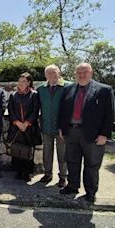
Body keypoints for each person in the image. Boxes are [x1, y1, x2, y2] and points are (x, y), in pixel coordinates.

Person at [58, 63, 114, 203]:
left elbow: (110, 114)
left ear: (91, 73)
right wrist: (61, 128)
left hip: (93, 134)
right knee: (72, 161)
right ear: (75, 74)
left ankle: (90, 191)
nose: (81, 75)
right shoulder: (68, 89)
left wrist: (105, 134)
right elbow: (62, 110)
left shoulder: (104, 90)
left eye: (85, 72)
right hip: (71, 132)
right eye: (79, 72)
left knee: (92, 165)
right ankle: (72, 186)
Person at [37, 65, 68, 187]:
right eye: (49, 73)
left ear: (59, 73)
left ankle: (63, 177)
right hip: (46, 126)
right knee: (47, 152)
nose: (51, 75)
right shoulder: (41, 89)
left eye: (54, 72)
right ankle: (48, 174)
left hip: (61, 127)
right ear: (45, 75)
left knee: (63, 153)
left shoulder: (68, 87)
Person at [7, 73, 42, 182]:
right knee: (17, 149)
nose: (22, 83)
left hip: (29, 127)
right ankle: (18, 171)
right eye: (20, 81)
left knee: (28, 150)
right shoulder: (13, 95)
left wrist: (26, 123)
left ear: (29, 83)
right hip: (16, 127)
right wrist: (17, 123)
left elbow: (35, 111)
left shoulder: (34, 95)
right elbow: (11, 110)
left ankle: (27, 173)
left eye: (24, 81)